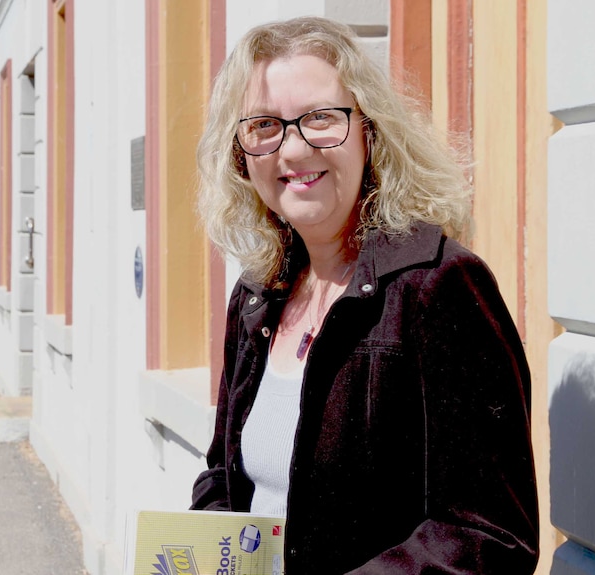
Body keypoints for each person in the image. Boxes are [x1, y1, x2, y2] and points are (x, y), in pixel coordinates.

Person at [190, 16, 539, 575]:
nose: (294, 149)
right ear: (241, 154)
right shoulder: (258, 295)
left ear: (369, 130)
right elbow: (224, 476)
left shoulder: (438, 286)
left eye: (321, 119)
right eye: (264, 126)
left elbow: (489, 535)